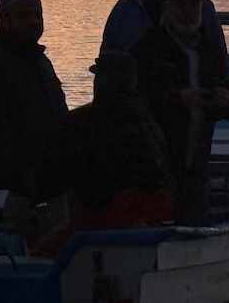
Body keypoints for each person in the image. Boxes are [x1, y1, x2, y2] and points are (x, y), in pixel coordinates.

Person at [33, 52, 175, 255]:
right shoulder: (149, 119)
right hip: (147, 222)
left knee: (41, 249)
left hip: (100, 223)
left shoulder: (81, 122)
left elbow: (55, 173)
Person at [131, 0, 229, 226]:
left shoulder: (209, 51)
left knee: (194, 229)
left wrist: (225, 100)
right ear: (166, 8)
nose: (188, 12)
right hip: (153, 172)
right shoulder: (146, 49)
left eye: (194, 5)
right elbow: (134, 100)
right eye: (180, 5)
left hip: (196, 170)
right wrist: (177, 99)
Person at [0, 0, 68, 202]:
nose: (34, 21)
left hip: (55, 183)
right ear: (3, 19)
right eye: (24, 15)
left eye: (38, 15)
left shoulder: (41, 62)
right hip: (18, 192)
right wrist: (21, 180)